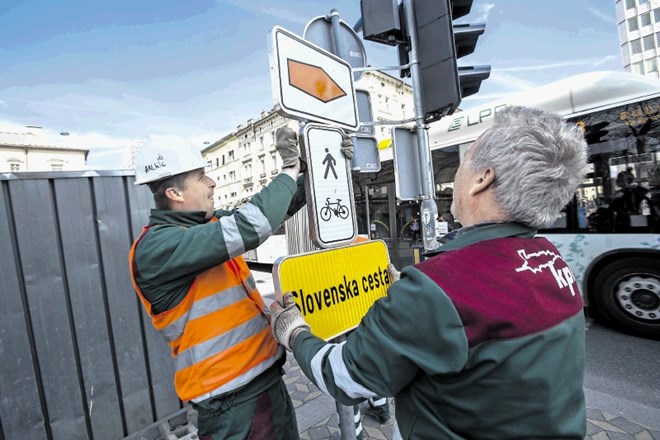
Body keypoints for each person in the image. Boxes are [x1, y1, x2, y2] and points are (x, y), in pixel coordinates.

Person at [270, 106, 589, 439]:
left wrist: (294, 332)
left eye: (465, 162)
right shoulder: (552, 261)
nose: (455, 175)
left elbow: (346, 378)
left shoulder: (440, 286)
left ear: (482, 179)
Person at [128, 128, 352, 439]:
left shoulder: (208, 225)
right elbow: (253, 224)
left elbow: (277, 209)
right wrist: (287, 170)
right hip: (230, 401)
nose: (212, 182)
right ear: (175, 194)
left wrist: (317, 167)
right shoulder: (157, 247)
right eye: (201, 177)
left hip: (263, 381)